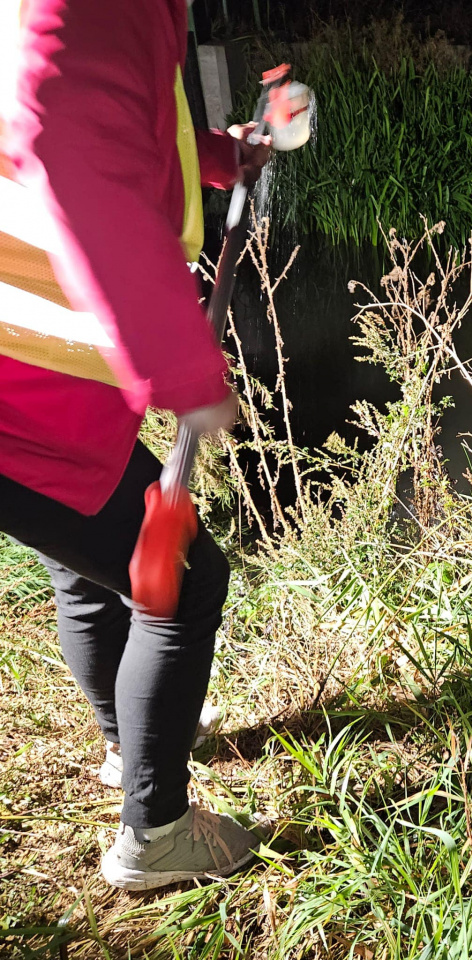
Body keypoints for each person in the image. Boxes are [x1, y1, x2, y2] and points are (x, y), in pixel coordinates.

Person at [0, 0, 270, 890]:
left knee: (85, 568)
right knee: (189, 585)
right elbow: (63, 143)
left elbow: (123, 121)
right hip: (26, 410)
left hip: (38, 394)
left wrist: (222, 155)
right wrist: (189, 379)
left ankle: (127, 745)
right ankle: (154, 833)